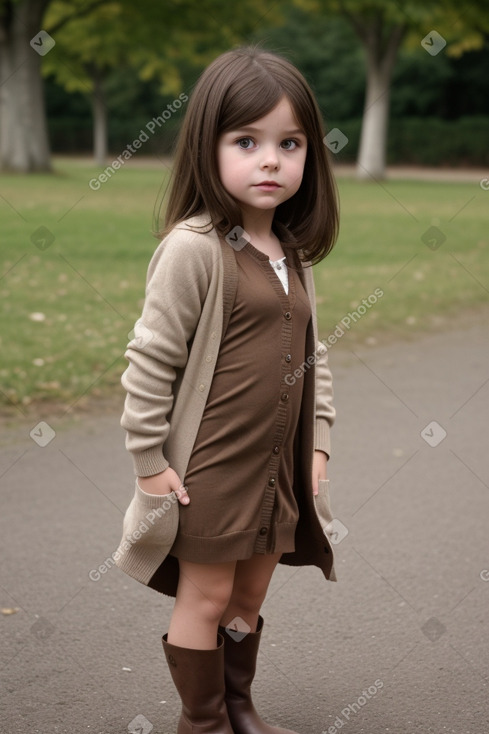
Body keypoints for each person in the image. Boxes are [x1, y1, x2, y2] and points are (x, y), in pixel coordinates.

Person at [118, 45, 339, 734]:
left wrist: (319, 445)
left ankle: (239, 705)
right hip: (210, 470)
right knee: (207, 595)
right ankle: (203, 720)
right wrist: (150, 465)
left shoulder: (291, 255)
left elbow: (316, 357)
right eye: (247, 141)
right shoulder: (194, 249)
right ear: (207, 147)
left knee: (249, 593)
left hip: (277, 468)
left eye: (289, 143)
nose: (270, 160)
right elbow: (149, 362)